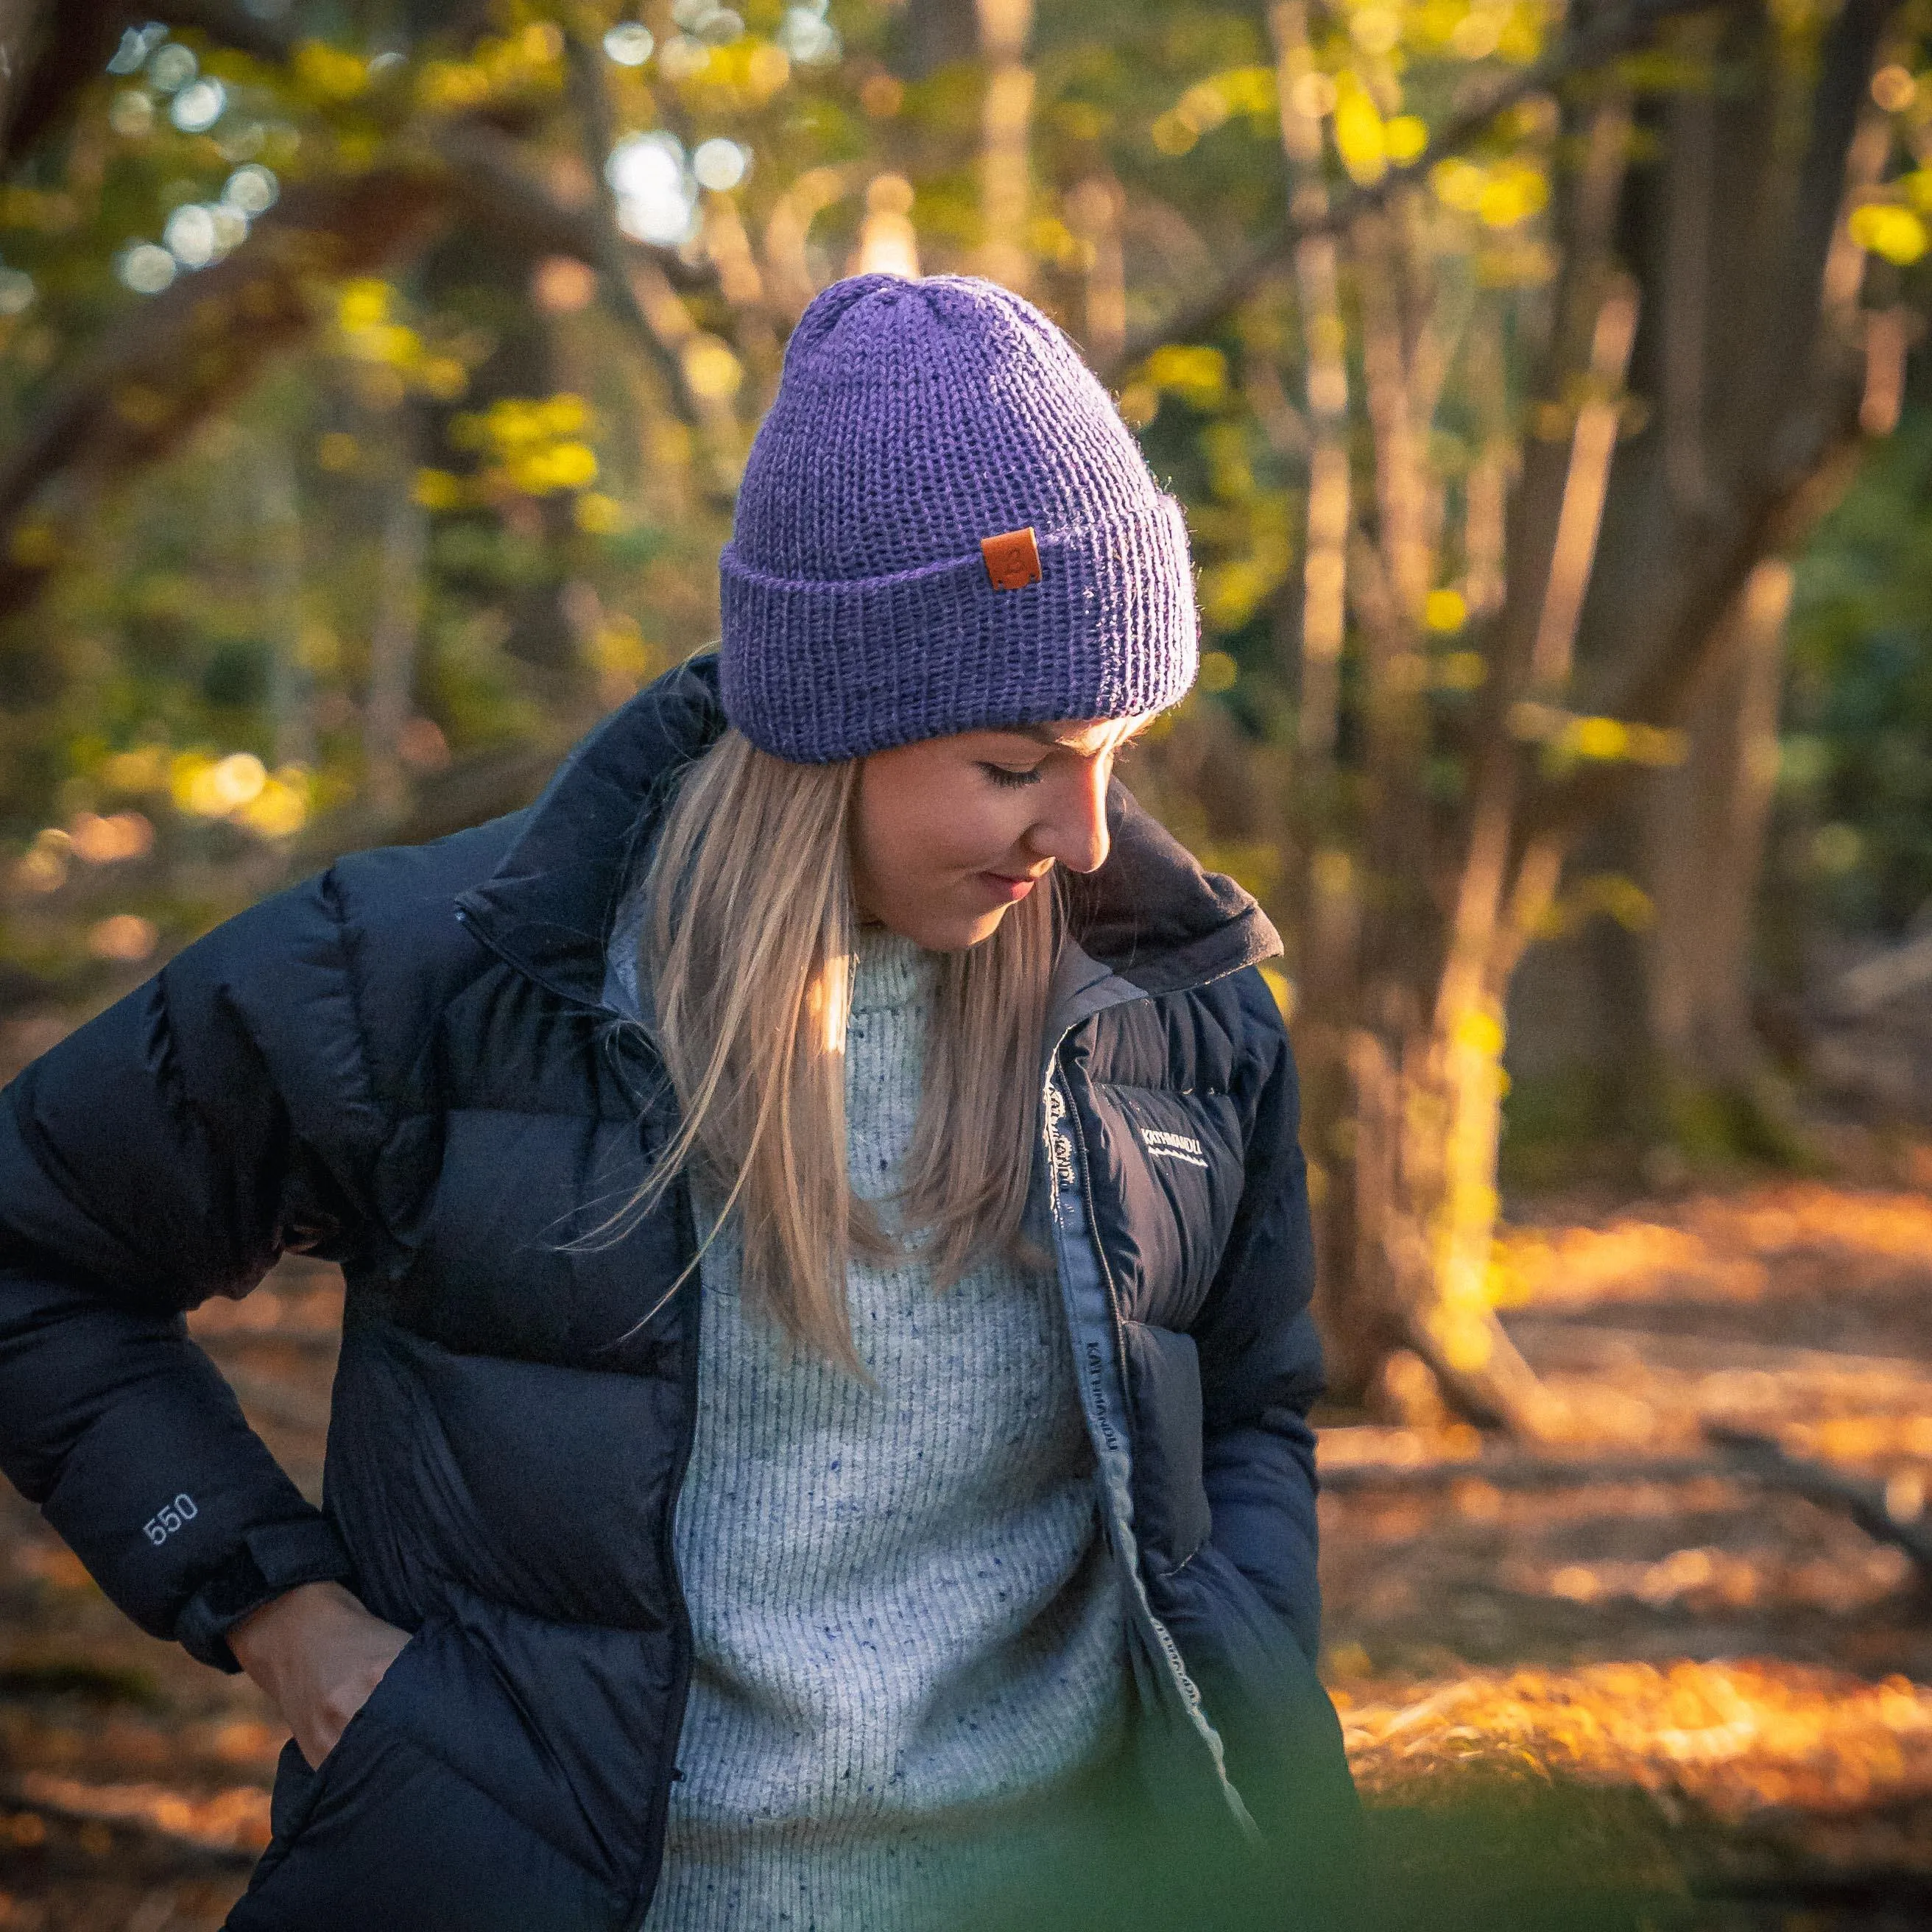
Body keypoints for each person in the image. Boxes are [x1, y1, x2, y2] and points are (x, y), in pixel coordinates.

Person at [0, 274, 1353, 1931]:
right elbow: (35, 1254)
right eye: (1013, 762)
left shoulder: (1176, 1003)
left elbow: (1250, 1405)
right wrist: (281, 1615)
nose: (1080, 834)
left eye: (1113, 749)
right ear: (830, 725)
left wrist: (1255, 1733)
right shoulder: (435, 980)